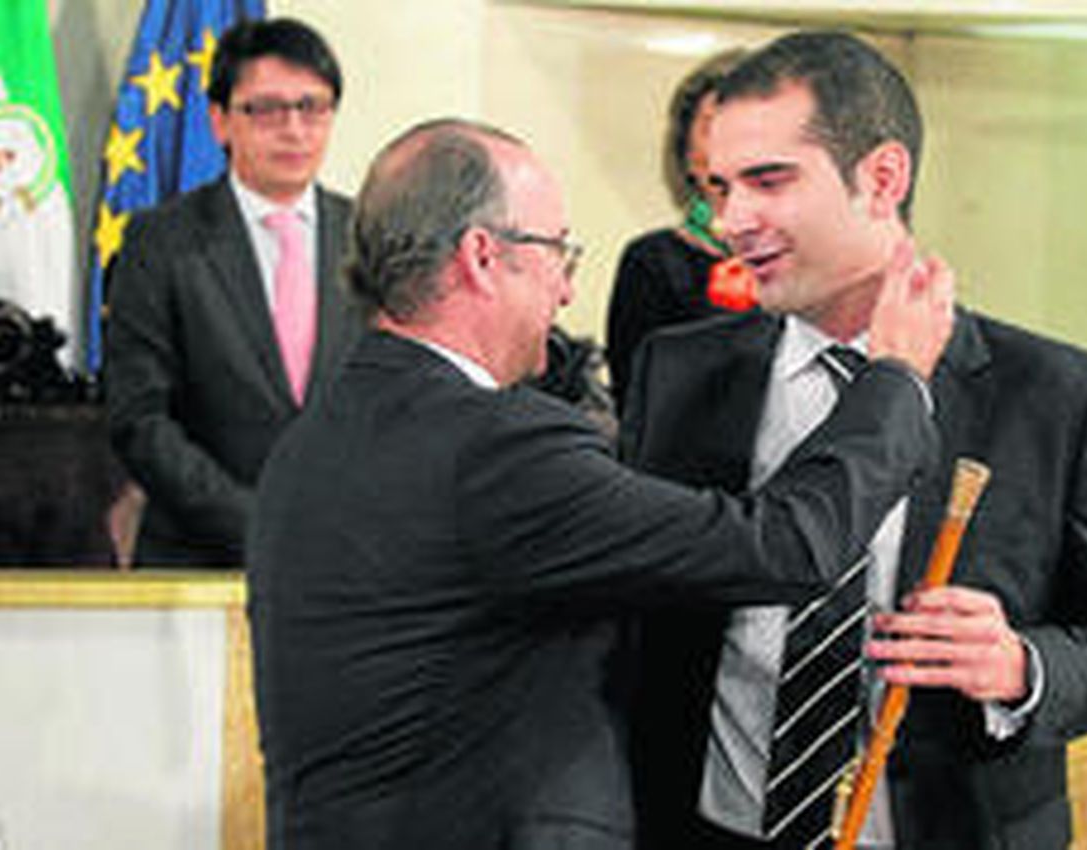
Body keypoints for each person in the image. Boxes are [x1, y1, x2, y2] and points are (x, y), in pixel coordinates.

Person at [246, 117, 953, 849]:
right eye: (557, 250)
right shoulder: (498, 450)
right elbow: (783, 547)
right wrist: (896, 379)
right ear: (482, 257)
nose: (566, 288)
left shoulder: (320, 433)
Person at [621, 31, 1087, 850]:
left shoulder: (1053, 392)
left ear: (883, 178)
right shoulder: (677, 372)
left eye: (769, 181)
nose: (731, 220)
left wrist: (1020, 667)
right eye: (719, 187)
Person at [104, 18, 362, 566]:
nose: (294, 129)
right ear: (220, 121)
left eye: (312, 107)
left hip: (344, 558)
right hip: (198, 559)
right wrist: (255, 524)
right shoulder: (160, 242)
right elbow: (139, 418)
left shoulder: (369, 239)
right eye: (266, 109)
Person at [604, 48, 746, 409]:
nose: (730, 145)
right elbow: (633, 400)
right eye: (712, 126)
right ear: (686, 153)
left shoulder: (805, 260)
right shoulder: (650, 261)